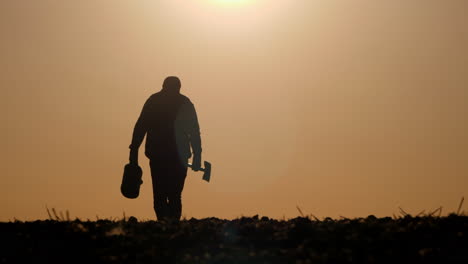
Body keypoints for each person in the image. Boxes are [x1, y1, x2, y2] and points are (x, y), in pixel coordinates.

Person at [129, 76, 202, 222]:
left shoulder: (155, 101)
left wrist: (134, 150)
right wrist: (197, 156)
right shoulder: (183, 103)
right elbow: (194, 131)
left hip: (163, 156)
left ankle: (165, 225)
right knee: (171, 194)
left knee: (163, 194)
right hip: (168, 156)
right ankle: (169, 225)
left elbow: (141, 126)